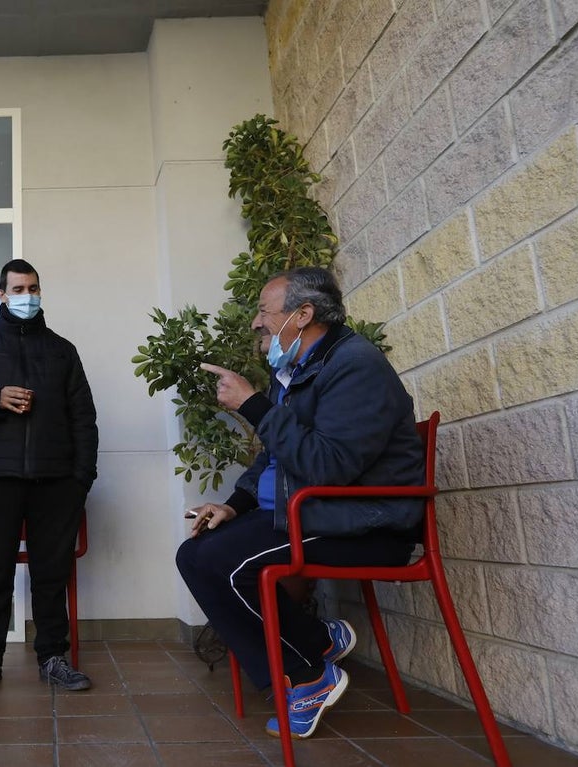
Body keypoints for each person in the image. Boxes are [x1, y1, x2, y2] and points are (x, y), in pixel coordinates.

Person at [176, 266, 423, 739]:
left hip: (364, 523)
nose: (255, 324)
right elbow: (275, 459)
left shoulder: (355, 365)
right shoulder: (296, 373)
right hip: (308, 512)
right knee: (196, 553)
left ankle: (307, 676)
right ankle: (317, 643)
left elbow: (329, 466)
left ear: (303, 314)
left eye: (264, 312)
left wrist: (253, 406)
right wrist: (234, 505)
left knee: (220, 564)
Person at [0, 259, 98, 694]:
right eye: (18, 289)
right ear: (2, 295)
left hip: (56, 482)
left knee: (51, 573)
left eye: (33, 288)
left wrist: (80, 479)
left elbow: (84, 418)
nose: (27, 296)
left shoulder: (62, 350)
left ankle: (53, 657)